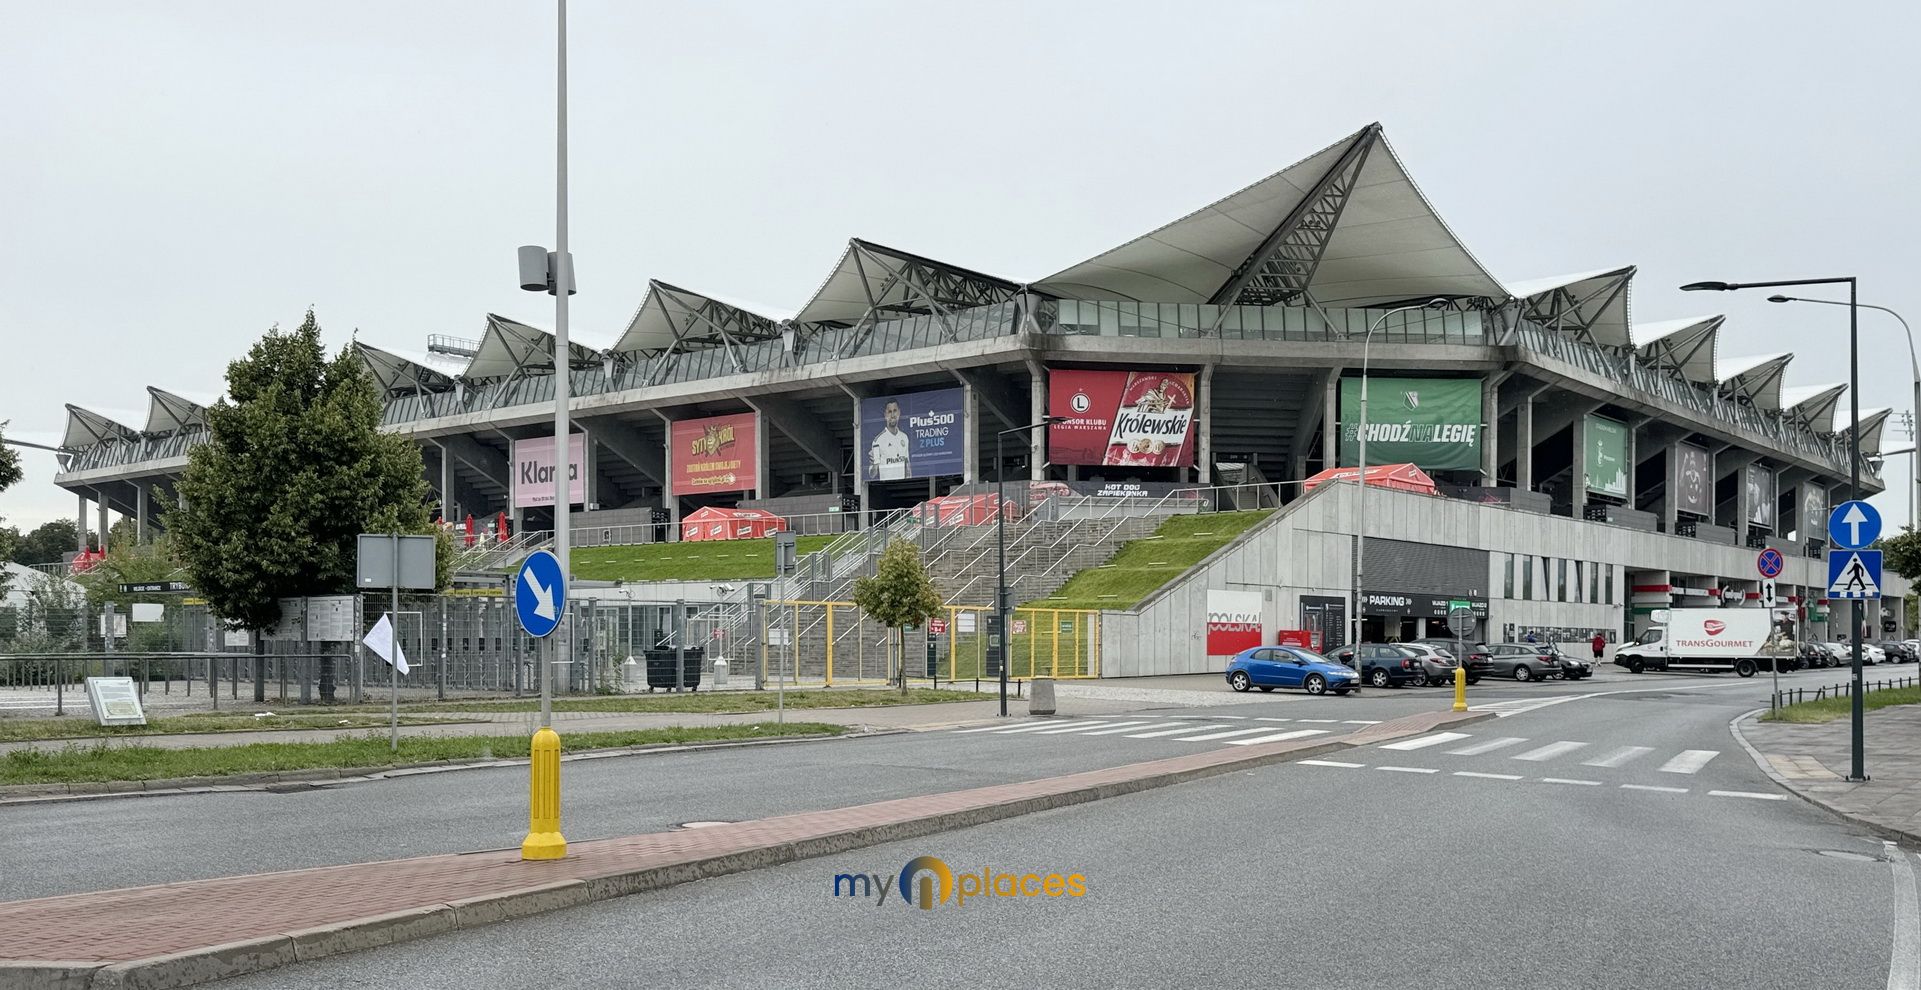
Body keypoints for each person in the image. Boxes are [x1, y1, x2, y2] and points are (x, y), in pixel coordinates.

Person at [868, 399, 911, 481]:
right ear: (885, 415)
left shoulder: (904, 437)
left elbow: (907, 465)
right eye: (889, 411)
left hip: (903, 485)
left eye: (894, 411)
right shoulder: (878, 440)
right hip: (888, 487)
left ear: (899, 412)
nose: (892, 415)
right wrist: (875, 465)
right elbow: (872, 474)